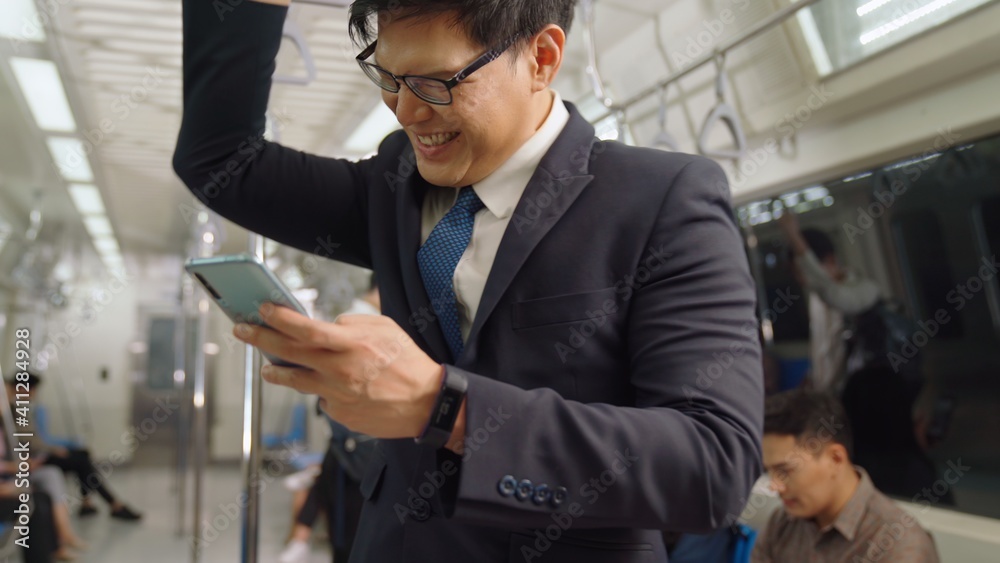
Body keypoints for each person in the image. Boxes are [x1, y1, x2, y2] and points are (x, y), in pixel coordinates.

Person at [173, 1, 764, 560]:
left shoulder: (659, 201)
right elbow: (222, 162)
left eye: (437, 82)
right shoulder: (393, 184)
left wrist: (444, 408)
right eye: (389, 77)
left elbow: (713, 465)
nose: (406, 111)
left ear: (542, 57)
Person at [752, 389, 939, 562]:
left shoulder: (898, 543)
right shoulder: (782, 524)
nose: (775, 485)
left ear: (835, 459)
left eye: (785, 470)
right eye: (769, 470)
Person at [280, 278, 380, 563]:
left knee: (346, 530)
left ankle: (301, 537)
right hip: (356, 444)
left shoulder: (357, 318)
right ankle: (301, 536)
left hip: (350, 442)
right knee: (350, 535)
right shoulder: (364, 321)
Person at [4, 375, 142, 521]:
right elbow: (27, 442)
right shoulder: (12, 413)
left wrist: (53, 448)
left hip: (38, 455)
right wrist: (53, 449)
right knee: (82, 461)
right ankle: (107, 504)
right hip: (33, 459)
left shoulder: (19, 409)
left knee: (83, 456)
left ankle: (92, 503)